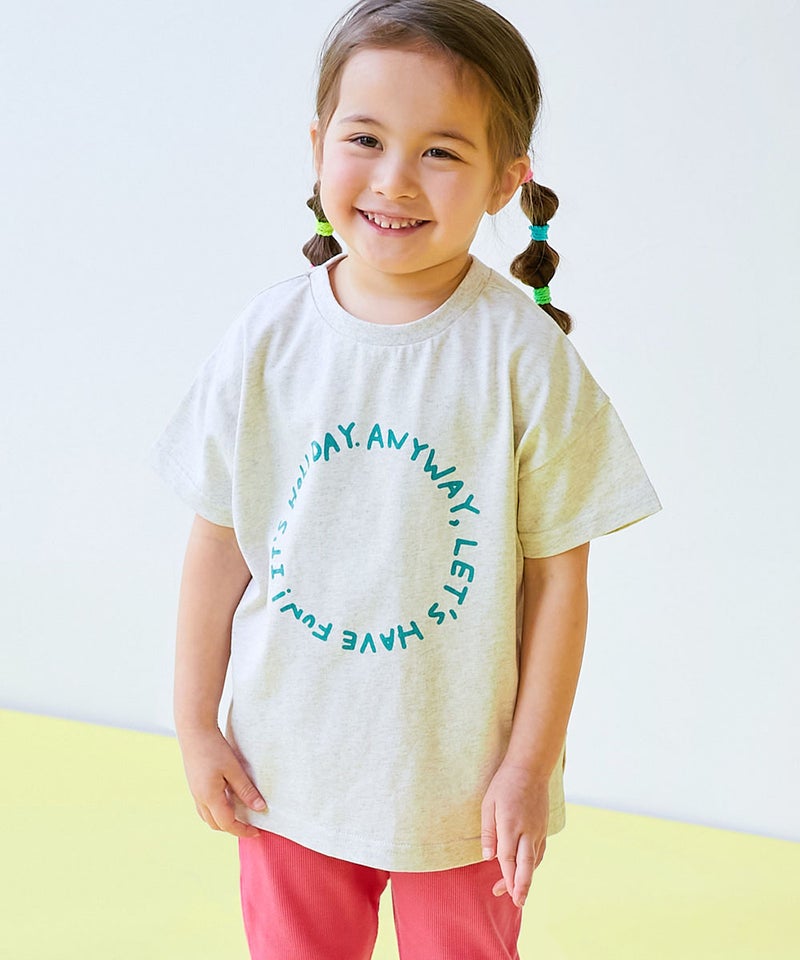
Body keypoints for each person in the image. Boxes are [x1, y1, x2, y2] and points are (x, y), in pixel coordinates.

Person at [148, 1, 662, 957]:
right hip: (285, 771)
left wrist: (527, 767)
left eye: (441, 151)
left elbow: (560, 583)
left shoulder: (523, 358)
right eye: (365, 139)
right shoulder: (266, 339)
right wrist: (195, 725)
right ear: (317, 145)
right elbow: (217, 545)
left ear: (507, 180)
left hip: (464, 790)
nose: (394, 179)